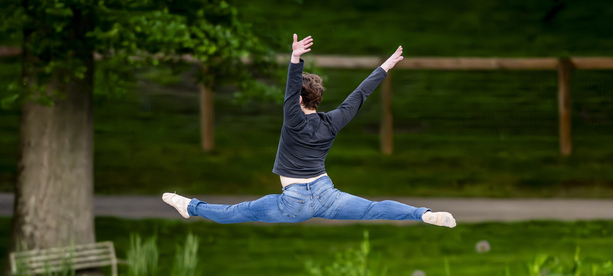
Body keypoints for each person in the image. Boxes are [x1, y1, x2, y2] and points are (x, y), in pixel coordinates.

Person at [163, 34, 456, 228]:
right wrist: (385, 67)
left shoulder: (293, 120)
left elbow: (291, 92)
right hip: (327, 194)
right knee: (373, 209)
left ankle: (190, 206)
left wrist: (295, 59)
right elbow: (359, 95)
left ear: (299, 100)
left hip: (294, 202)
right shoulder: (333, 122)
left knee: (238, 212)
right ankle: (424, 214)